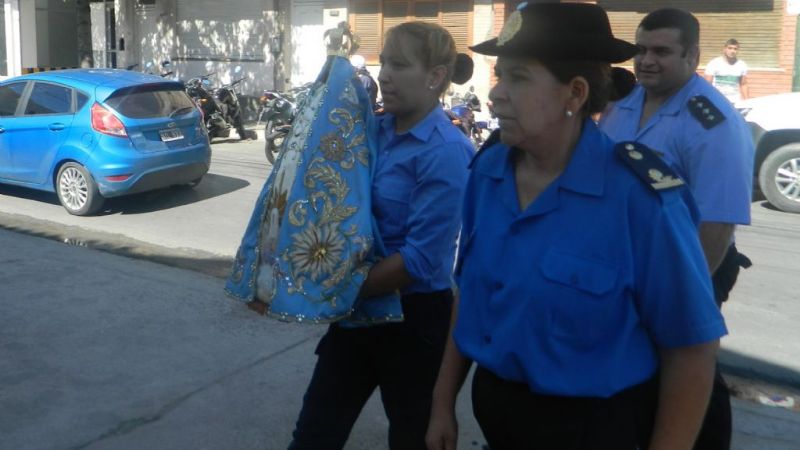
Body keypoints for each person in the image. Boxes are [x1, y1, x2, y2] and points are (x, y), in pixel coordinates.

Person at [426, 3, 726, 450]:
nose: (496, 95)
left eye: (519, 77)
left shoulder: (640, 198)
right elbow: (468, 294)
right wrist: (441, 402)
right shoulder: (488, 174)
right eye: (500, 74)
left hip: (594, 428)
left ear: (575, 93)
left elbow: (692, 351)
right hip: (498, 417)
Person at [288, 21, 475, 450]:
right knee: (315, 433)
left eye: (400, 65)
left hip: (414, 324)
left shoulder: (446, 152)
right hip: (356, 314)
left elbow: (419, 261)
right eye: (384, 61)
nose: (384, 74)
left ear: (435, 77)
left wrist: (332, 291)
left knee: (412, 438)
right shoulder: (375, 131)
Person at [600, 9, 754, 450]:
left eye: (661, 52)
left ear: (692, 55)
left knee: (687, 360)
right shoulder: (622, 105)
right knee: (640, 366)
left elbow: (717, 224)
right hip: (625, 263)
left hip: (690, 264)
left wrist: (686, 295)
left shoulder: (713, 123)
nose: (646, 61)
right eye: (641, 50)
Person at [704, 38, 749, 104]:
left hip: (735, 100)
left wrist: (748, 102)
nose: (732, 51)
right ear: (724, 49)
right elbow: (707, 85)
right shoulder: (714, 63)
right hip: (718, 100)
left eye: (735, 49)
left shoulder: (741, 65)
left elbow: (743, 84)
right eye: (730, 48)